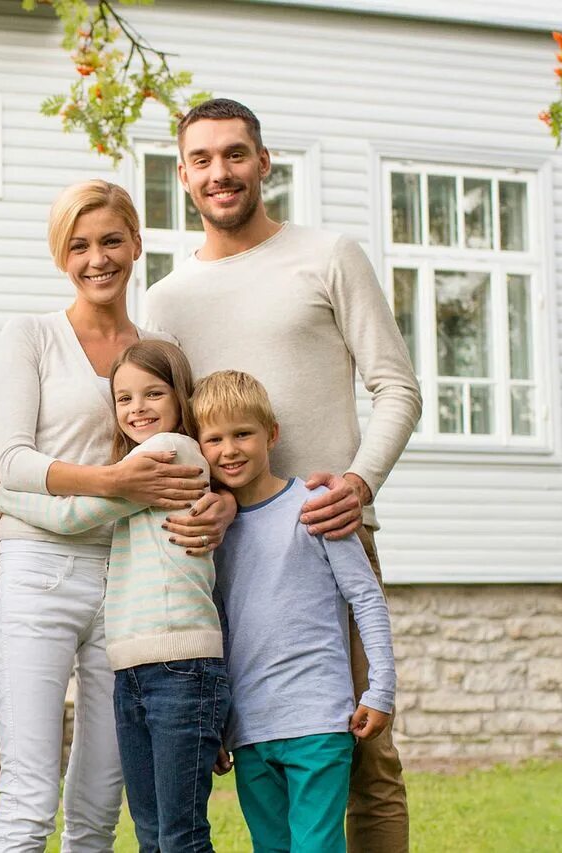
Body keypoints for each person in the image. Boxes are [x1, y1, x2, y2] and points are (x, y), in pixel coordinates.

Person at [143, 98, 421, 852]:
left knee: (367, 750)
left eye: (235, 154)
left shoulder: (328, 255)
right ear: (183, 176)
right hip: (232, 557)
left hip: (331, 536)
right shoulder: (165, 300)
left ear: (264, 162)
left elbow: (398, 386)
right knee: (262, 750)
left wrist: (358, 484)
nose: (220, 172)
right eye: (202, 159)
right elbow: (164, 431)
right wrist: (208, 507)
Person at [0, 180, 232, 853]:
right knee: (30, 795)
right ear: (61, 254)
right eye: (80, 245)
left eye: (111, 241)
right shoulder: (31, 336)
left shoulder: (160, 349)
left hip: (128, 582)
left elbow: (204, 445)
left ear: (135, 244)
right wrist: (115, 480)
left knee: (99, 803)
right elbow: (11, 459)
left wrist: (227, 500)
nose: (97, 258)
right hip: (39, 570)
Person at [194, 370, 396, 853]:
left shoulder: (316, 506)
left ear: (272, 434)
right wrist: (219, 720)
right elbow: (217, 626)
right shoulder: (213, 533)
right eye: (214, 439)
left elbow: (366, 599)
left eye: (243, 433)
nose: (230, 450)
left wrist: (381, 689)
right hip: (250, 727)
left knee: (317, 846)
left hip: (319, 720)